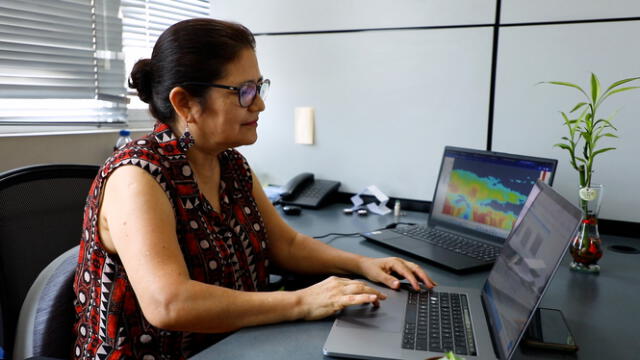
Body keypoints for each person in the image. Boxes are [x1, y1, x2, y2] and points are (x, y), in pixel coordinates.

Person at [73, 18, 436, 359]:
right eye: (244, 91)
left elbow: (286, 245)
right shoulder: (138, 176)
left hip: (235, 342)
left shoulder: (230, 163)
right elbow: (169, 304)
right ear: (185, 103)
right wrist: (302, 302)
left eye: (259, 87)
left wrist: (363, 264)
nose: (259, 104)